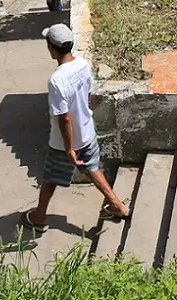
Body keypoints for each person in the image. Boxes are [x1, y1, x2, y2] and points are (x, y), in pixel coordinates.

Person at [23, 23, 130, 233]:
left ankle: (39, 217)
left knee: (50, 178)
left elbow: (64, 119)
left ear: (51, 49)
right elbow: (87, 97)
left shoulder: (56, 80)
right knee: (91, 168)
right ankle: (117, 205)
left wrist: (69, 149)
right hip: (86, 131)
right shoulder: (82, 64)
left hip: (64, 142)